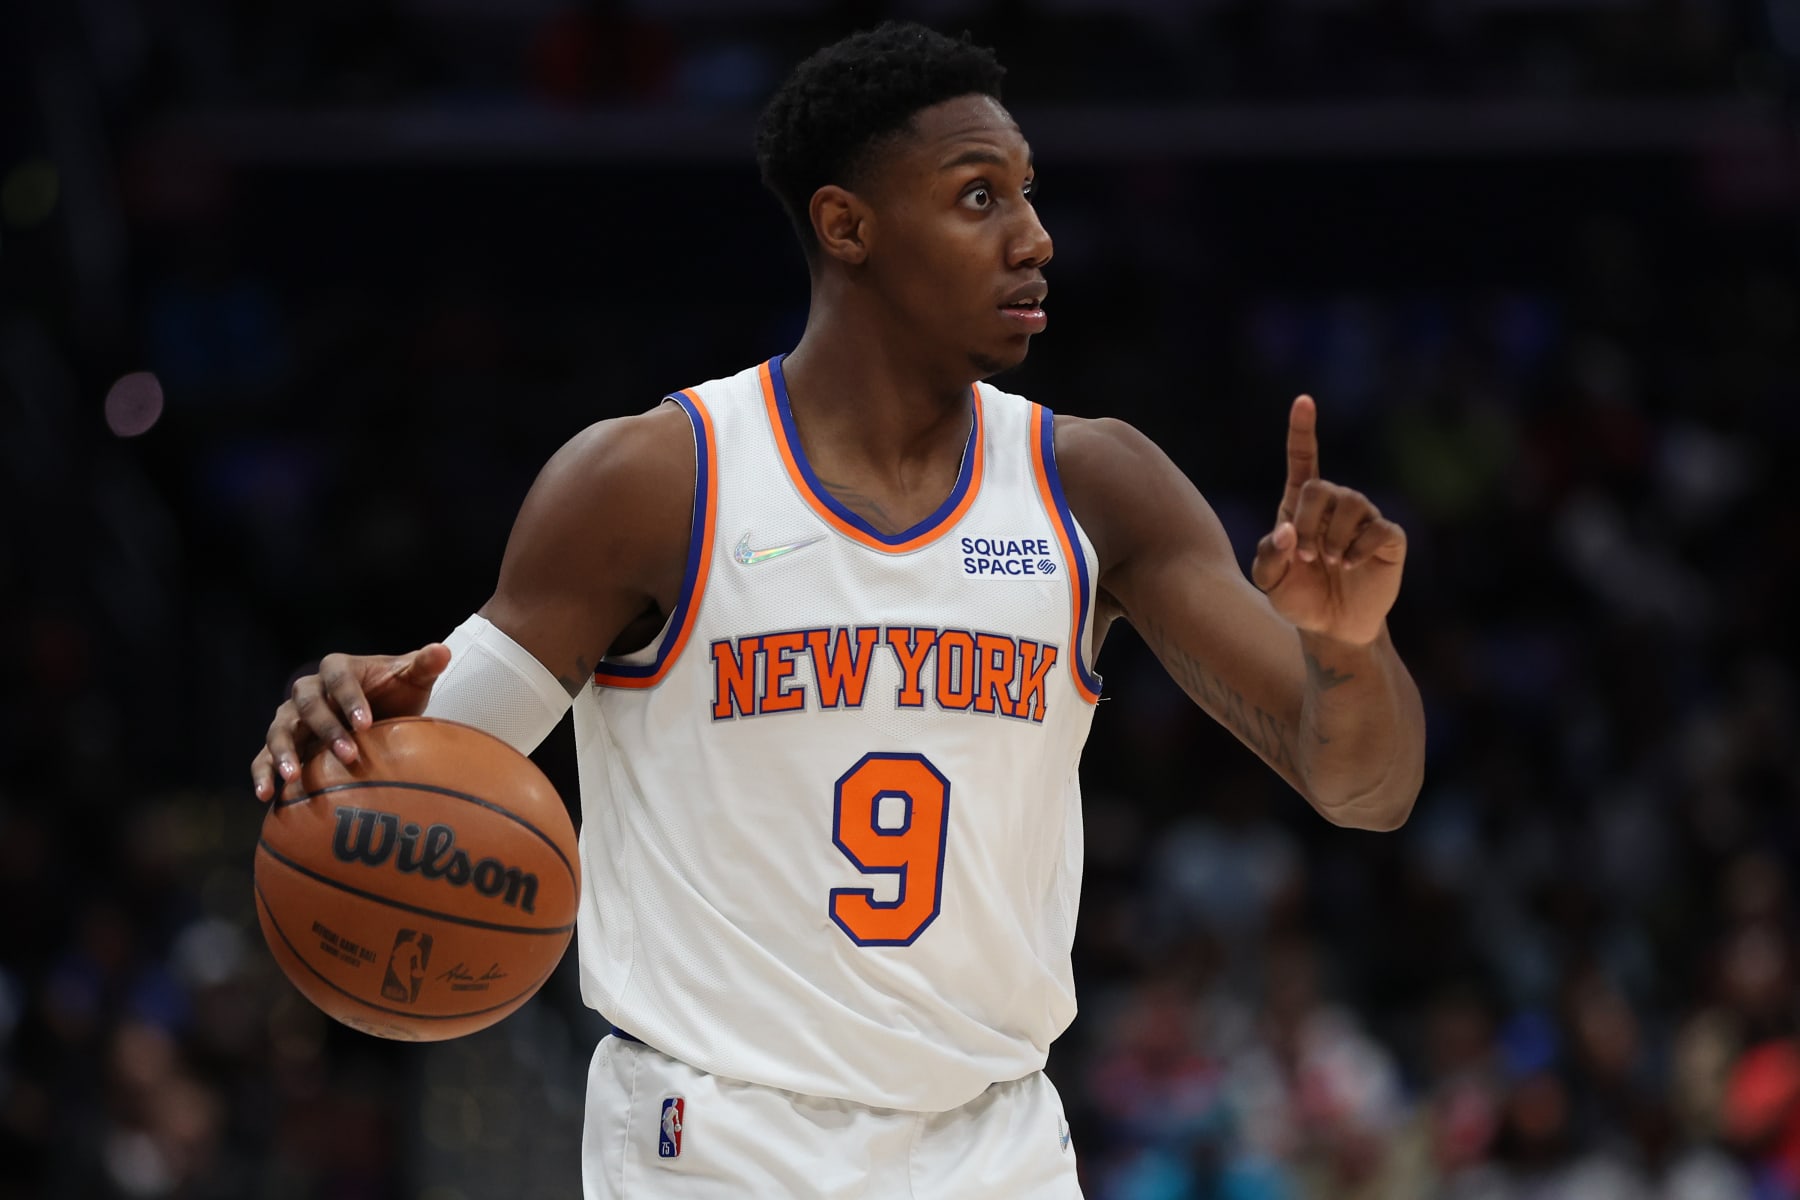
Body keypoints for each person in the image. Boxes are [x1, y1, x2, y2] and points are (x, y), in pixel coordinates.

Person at [250, 22, 1425, 1198]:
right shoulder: (654, 483)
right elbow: (433, 761)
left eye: (1029, 194)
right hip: (714, 1143)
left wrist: (1348, 648)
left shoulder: (1096, 485)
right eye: (979, 197)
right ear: (845, 225)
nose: (1035, 238)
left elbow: (1362, 788)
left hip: (996, 1144)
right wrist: (347, 728)